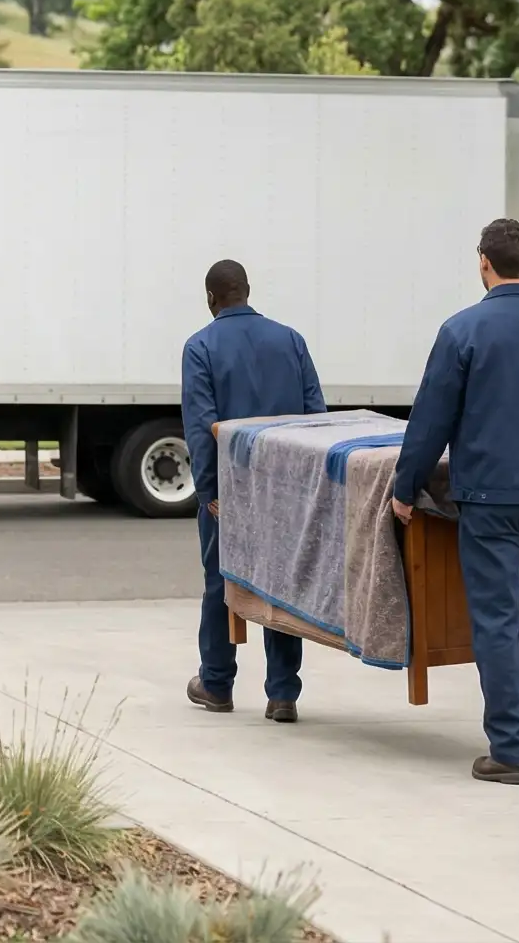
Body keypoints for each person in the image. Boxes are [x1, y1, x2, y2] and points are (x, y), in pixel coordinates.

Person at [390, 217, 519, 784]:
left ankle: (510, 748)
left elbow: (431, 421)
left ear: (484, 262)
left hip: (488, 496)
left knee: (497, 618)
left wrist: (407, 489)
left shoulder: (462, 331)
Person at [180, 258, 327, 722]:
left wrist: (208, 492)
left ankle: (217, 684)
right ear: (247, 290)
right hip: (285, 490)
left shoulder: (200, 346)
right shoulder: (290, 340)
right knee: (282, 586)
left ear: (211, 298)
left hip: (231, 489)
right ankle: (283, 693)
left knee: (220, 584)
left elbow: (204, 427)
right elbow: (315, 419)